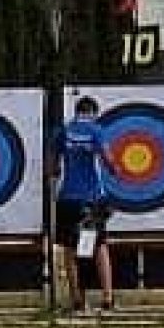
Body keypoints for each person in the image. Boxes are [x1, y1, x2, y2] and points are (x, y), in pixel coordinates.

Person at [50, 97, 114, 314]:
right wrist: (116, 170)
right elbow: (108, 159)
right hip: (92, 200)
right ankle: (107, 299)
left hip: (67, 198)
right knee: (99, 247)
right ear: (94, 112)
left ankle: (77, 300)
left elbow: (53, 166)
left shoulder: (64, 131)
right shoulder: (97, 130)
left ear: (77, 111)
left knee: (71, 249)